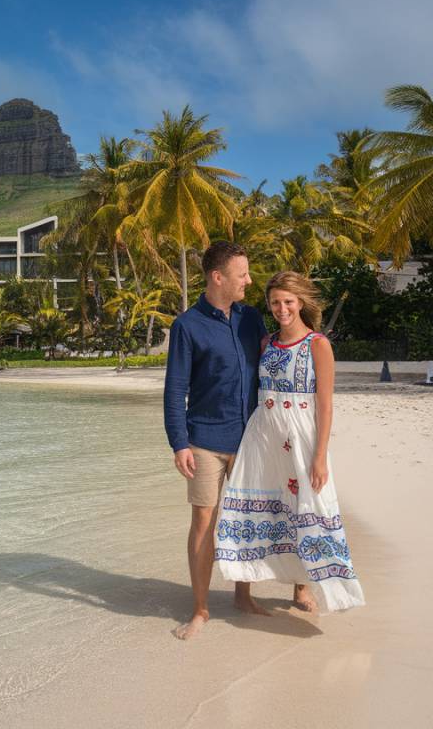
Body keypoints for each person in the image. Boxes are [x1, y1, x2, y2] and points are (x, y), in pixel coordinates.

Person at [214, 271, 365, 613]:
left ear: (301, 303)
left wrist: (320, 456)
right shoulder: (267, 343)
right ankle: (242, 591)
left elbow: (325, 405)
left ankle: (302, 589)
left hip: (301, 437)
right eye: (275, 302)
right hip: (262, 437)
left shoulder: (318, 345)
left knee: (307, 507)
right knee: (254, 507)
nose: (282, 308)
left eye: (288, 302)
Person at [163, 241, 270, 640]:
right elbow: (175, 390)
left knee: (246, 522)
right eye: (242, 274)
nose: (249, 280)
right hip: (204, 440)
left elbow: (274, 364)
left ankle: (244, 596)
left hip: (251, 439)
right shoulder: (187, 326)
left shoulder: (251, 318)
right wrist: (179, 443)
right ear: (218, 277)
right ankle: (201, 609)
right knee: (204, 523)